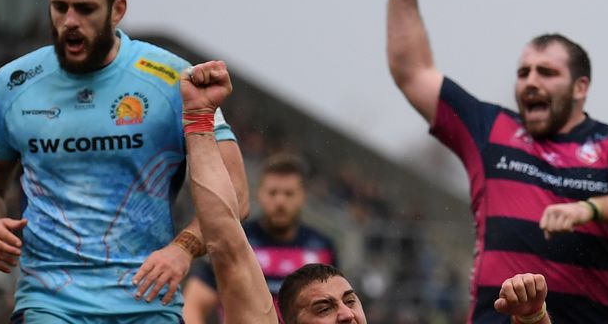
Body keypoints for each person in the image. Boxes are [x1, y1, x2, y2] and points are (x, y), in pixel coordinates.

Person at [384, 0, 608, 324]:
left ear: (581, 88)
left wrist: (588, 209)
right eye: (523, 72)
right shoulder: (488, 129)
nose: (530, 81)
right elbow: (412, 72)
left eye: (547, 72)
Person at [0, 0, 249, 323]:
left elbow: (237, 192)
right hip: (50, 305)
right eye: (59, 7)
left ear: (118, 10)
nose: (70, 21)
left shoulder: (171, 81)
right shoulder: (13, 86)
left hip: (148, 304)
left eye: (85, 9)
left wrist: (182, 250)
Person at [181, 60, 550, 324]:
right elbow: (224, 241)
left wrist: (533, 317)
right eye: (323, 309)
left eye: (351, 301)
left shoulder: (322, 242)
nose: (345, 314)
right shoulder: (247, 249)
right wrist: (200, 119)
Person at [183, 153, 337, 323]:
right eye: (273, 193)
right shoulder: (233, 240)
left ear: (303, 197)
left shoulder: (323, 248)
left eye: (289, 194)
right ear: (259, 194)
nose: (280, 201)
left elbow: (334, 309)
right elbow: (193, 305)